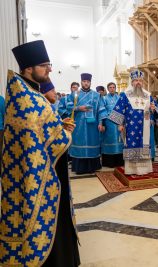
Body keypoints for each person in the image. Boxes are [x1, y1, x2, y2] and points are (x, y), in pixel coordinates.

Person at [1, 40, 80, 266]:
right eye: (45, 65)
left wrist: (59, 126)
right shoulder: (26, 97)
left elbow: (42, 129)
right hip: (36, 173)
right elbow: (37, 137)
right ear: (29, 68)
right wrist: (63, 133)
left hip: (45, 168)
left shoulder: (28, 92)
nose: (50, 70)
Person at [109, 70, 156, 175]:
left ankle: (145, 169)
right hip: (131, 126)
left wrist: (153, 109)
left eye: (140, 80)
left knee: (144, 144)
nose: (138, 83)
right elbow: (119, 109)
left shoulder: (148, 95)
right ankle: (132, 169)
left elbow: (155, 109)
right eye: (136, 80)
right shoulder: (125, 95)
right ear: (132, 82)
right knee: (131, 144)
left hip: (145, 126)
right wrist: (120, 124)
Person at [67, 73, 107, 174]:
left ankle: (92, 167)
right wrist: (78, 108)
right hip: (78, 125)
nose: (86, 83)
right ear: (81, 82)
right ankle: (79, 168)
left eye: (88, 82)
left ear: (90, 82)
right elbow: (68, 107)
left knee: (92, 142)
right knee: (79, 142)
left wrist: (101, 123)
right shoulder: (75, 94)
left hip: (92, 125)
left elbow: (101, 110)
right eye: (84, 81)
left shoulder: (97, 95)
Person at [101, 82, 124, 167]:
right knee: (109, 140)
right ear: (108, 89)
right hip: (108, 123)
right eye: (110, 87)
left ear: (115, 88)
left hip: (118, 123)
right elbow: (102, 111)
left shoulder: (119, 98)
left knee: (119, 141)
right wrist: (103, 123)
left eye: (113, 87)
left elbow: (122, 110)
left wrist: (122, 122)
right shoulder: (104, 98)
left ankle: (119, 162)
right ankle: (109, 162)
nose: (112, 89)